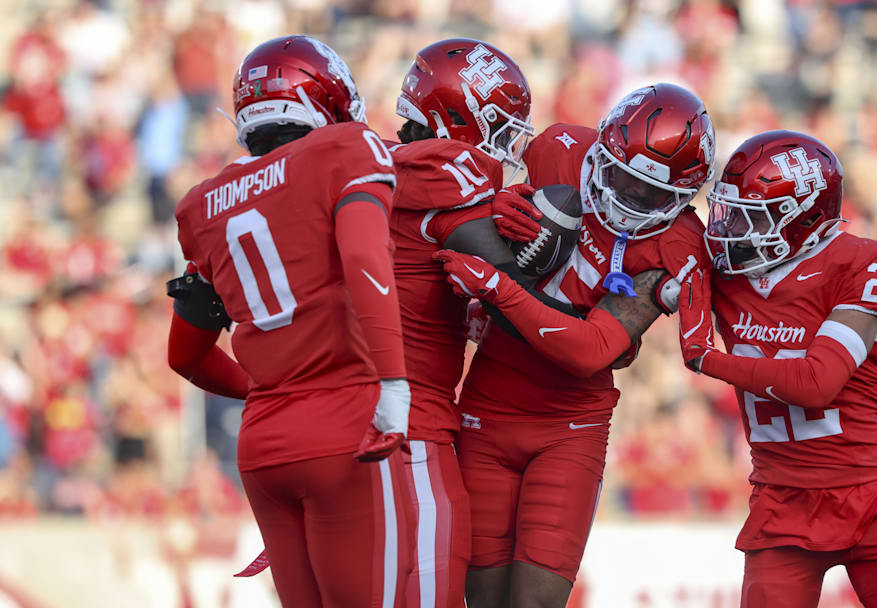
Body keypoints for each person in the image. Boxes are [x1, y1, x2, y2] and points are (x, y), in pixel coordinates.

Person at [435, 83, 716, 608]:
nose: (631, 201)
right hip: (488, 405)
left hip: (570, 424)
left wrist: (498, 288)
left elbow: (590, 352)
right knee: (482, 600)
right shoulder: (558, 149)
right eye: (622, 179)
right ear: (602, 149)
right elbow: (454, 216)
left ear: (684, 198)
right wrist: (494, 213)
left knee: (535, 603)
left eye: (652, 195)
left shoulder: (679, 242)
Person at [166, 35, 412, 608]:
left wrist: (267, 394)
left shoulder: (203, 204)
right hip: (347, 425)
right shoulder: (346, 150)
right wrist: (395, 382)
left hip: (264, 444)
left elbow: (185, 357)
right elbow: (362, 258)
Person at [676, 130, 877, 608]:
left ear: (801, 218)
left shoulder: (865, 263)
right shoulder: (719, 270)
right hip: (780, 501)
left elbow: (817, 382)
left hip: (867, 498)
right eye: (729, 212)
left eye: (751, 218)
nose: (729, 231)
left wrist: (707, 357)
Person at [386, 38, 546, 608]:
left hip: (326, 413)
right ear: (453, 117)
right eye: (499, 127)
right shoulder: (452, 182)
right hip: (407, 425)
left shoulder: (364, 164)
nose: (504, 144)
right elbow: (531, 308)